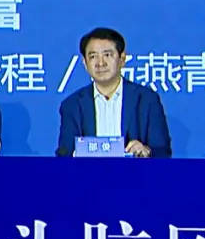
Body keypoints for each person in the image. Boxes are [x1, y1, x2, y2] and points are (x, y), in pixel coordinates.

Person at [57, 27, 171, 158]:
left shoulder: (146, 99)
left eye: (107, 55)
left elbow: (163, 151)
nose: (100, 63)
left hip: (134, 170)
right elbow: (64, 154)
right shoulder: (72, 105)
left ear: (122, 59)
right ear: (85, 63)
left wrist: (146, 151)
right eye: (93, 56)